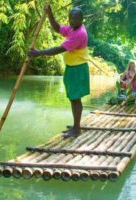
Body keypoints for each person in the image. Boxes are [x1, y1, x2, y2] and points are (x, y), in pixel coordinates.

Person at [28, 6, 89, 138]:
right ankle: (75, 126)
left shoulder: (80, 34)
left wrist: (39, 53)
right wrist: (50, 13)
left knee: (75, 99)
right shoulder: (73, 28)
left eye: (75, 19)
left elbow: (59, 49)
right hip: (72, 67)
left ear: (81, 19)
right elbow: (58, 28)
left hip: (77, 69)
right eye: (71, 19)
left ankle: (77, 129)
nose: (72, 21)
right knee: (73, 98)